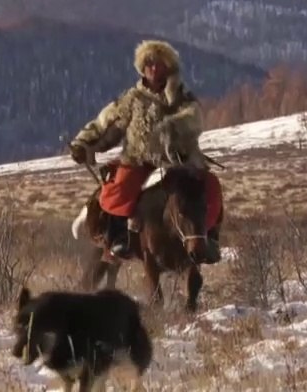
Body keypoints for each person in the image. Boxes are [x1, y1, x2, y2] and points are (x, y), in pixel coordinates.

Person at [67, 39, 221, 261]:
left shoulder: (182, 95)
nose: (154, 68)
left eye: (159, 63)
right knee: (115, 192)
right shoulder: (131, 99)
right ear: (142, 68)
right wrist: (84, 143)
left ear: (168, 66)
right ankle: (120, 238)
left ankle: (208, 238)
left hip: (179, 159)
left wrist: (173, 127)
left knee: (210, 187)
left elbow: (194, 117)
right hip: (138, 160)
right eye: (149, 63)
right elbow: (106, 124)